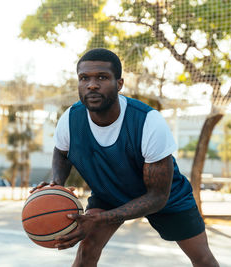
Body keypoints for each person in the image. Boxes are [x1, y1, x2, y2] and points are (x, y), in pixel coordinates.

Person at [31, 48, 219, 267]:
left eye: (102, 77)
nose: (92, 85)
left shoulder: (148, 122)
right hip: (109, 193)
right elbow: (62, 154)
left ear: (119, 84)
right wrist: (57, 185)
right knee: (86, 251)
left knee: (202, 259)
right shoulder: (71, 119)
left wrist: (100, 219)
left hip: (166, 197)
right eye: (84, 78)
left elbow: (157, 197)